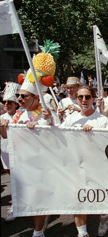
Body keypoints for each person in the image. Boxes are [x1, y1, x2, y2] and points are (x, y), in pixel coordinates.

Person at [0, 72, 58, 237]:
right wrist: (3, 126)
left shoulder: (46, 113)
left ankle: (38, 232)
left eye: (24, 96)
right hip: (24, 165)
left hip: (43, 165)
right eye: (19, 96)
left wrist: (49, 122)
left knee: (38, 200)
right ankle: (40, 224)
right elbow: (6, 136)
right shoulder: (18, 115)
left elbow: (59, 135)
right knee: (33, 201)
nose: (20, 99)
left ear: (36, 98)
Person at [60, 85, 108, 237]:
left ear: (93, 99)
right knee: (79, 198)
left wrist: (93, 136)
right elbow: (58, 137)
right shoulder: (70, 119)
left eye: (87, 97)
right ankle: (82, 233)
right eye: (80, 97)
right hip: (76, 166)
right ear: (76, 99)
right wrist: (47, 120)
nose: (84, 100)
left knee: (99, 197)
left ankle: (104, 217)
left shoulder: (102, 120)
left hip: (97, 166)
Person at [0, 82, 20, 222]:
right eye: (4, 102)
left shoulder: (21, 115)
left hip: (19, 151)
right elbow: (3, 136)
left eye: (10, 102)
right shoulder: (1, 118)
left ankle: (20, 203)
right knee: (12, 177)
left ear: (16, 104)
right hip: (5, 150)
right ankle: (16, 203)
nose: (6, 104)